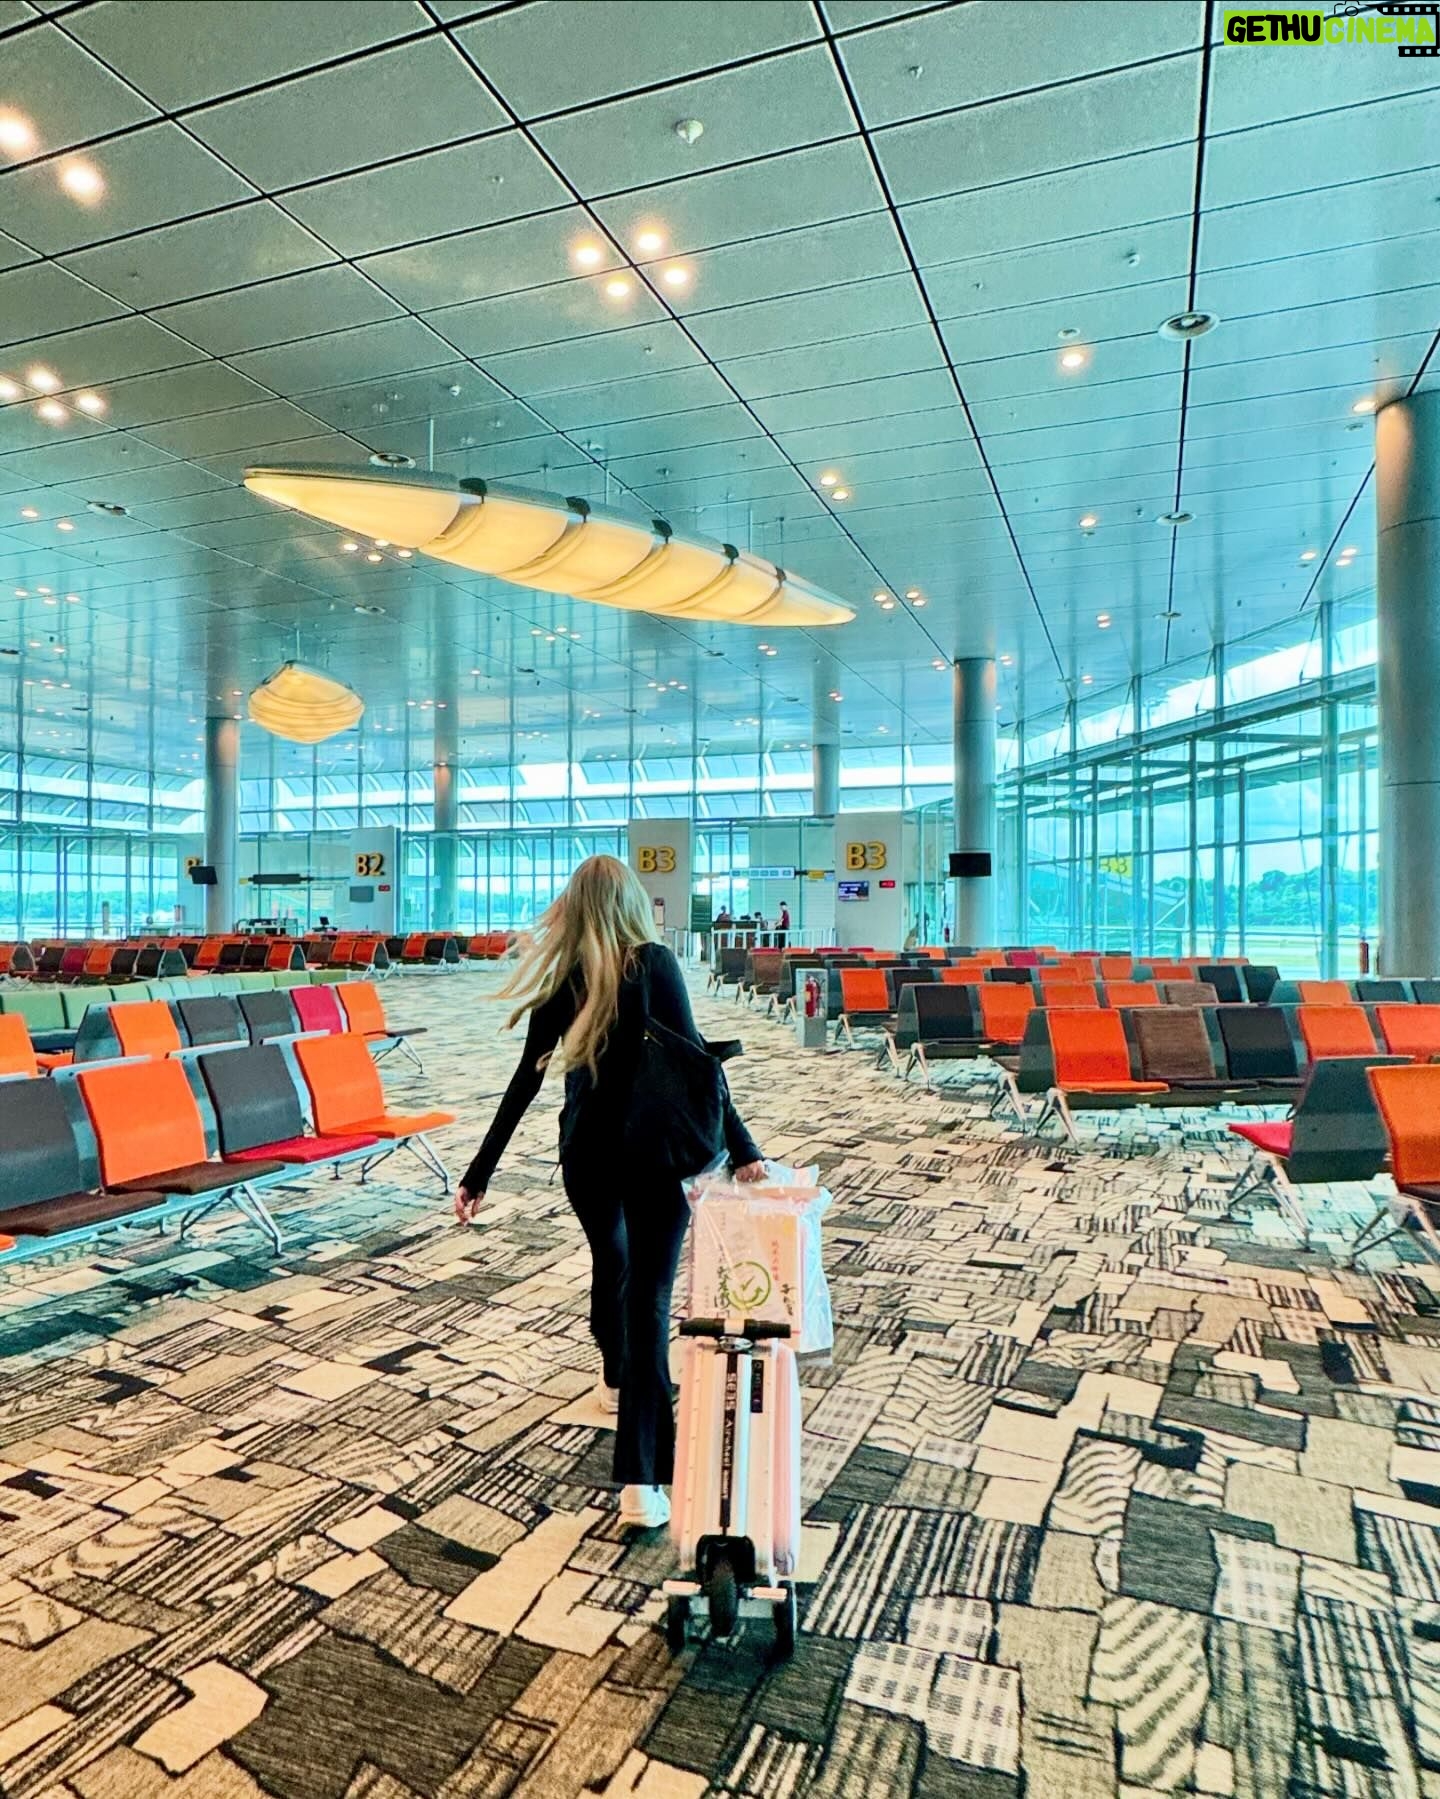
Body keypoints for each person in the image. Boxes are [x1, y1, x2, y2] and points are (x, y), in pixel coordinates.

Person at [454, 855, 765, 1531]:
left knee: (612, 1261)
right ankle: (640, 1483)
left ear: (574, 906)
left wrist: (479, 1172)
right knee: (648, 1299)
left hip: (587, 1158)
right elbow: (697, 1062)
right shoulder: (653, 964)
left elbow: (524, 1082)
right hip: (656, 1155)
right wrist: (743, 1148)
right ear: (630, 903)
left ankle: (615, 1375)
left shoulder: (563, 978)